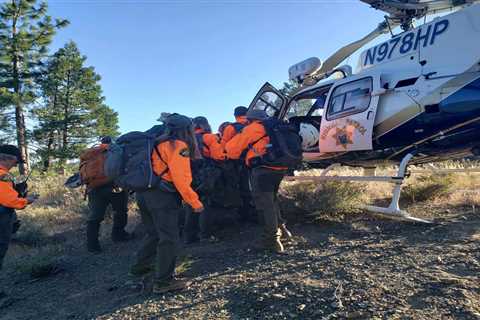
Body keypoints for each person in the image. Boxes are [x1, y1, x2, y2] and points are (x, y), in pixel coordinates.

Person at [130, 114, 204, 294]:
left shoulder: (155, 142)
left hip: (144, 194)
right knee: (169, 237)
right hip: (162, 197)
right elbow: (181, 179)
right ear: (186, 130)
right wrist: (194, 202)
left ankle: (141, 267)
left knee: (154, 233)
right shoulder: (178, 146)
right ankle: (163, 282)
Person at [225, 109, 292, 254]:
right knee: (272, 200)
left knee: (265, 204)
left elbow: (231, 149)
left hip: (262, 170)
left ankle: (272, 241)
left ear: (250, 119)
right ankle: (283, 230)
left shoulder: (252, 128)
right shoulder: (275, 126)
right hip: (280, 168)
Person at [0, 145, 37, 296]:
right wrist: (26, 200)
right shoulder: (2, 175)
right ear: (6, 158)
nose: (16, 165)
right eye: (15, 161)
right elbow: (9, 201)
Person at [86, 136, 133, 253]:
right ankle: (118, 235)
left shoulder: (92, 153)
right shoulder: (118, 150)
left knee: (95, 217)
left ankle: (92, 245)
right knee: (120, 211)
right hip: (114, 187)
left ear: (102, 143)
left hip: (94, 188)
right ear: (111, 142)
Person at [183, 117, 225, 244]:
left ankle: (189, 237)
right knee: (205, 204)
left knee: (191, 204)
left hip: (188, 175)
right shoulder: (210, 138)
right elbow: (219, 156)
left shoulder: (185, 139)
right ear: (205, 125)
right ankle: (205, 235)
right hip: (205, 175)